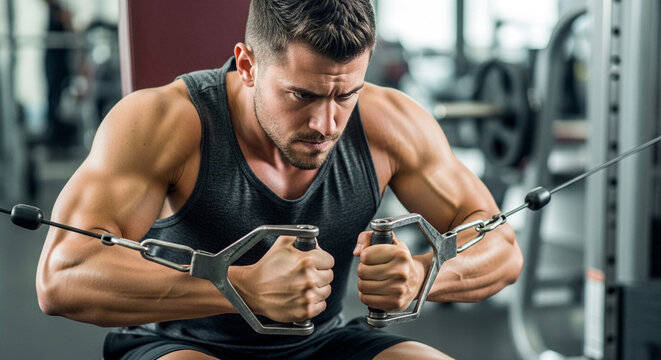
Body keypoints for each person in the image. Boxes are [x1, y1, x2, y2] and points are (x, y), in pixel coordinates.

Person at [36, 1, 523, 359]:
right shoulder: (163, 122)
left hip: (324, 341)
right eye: (302, 95)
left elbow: (500, 245)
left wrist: (422, 275)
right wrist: (237, 286)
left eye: (345, 95)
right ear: (248, 65)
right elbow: (64, 275)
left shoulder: (389, 121)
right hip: (180, 345)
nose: (326, 124)